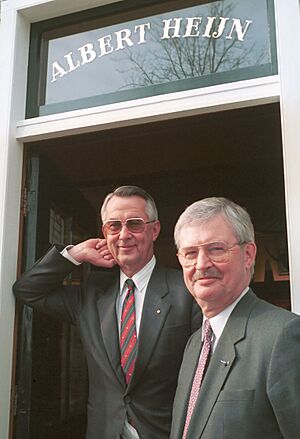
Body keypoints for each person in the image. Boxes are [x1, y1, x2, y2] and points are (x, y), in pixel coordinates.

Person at [13, 185, 202, 439]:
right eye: (114, 226)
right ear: (105, 232)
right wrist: (75, 254)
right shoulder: (91, 293)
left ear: (154, 230)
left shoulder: (186, 290)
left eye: (134, 224)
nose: (124, 235)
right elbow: (28, 290)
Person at [170, 197, 300, 439]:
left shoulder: (283, 336)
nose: (201, 264)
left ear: (248, 255)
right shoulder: (194, 344)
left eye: (215, 249)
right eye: (190, 253)